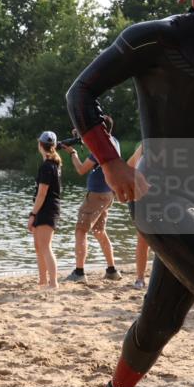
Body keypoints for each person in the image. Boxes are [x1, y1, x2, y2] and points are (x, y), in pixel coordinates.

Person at [66, 0, 194, 387]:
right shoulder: (155, 38)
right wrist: (111, 161)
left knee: (157, 325)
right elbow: (81, 92)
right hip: (159, 197)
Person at [61, 117, 122, 284]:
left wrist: (73, 153)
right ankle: (112, 270)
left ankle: (79, 273)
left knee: (81, 230)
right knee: (99, 231)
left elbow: (81, 169)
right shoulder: (113, 141)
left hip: (96, 195)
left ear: (101, 129)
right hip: (108, 194)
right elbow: (96, 153)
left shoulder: (101, 146)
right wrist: (81, 137)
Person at [29, 131, 62, 289]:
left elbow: (42, 193)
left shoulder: (48, 166)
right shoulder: (52, 164)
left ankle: (53, 283)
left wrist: (33, 214)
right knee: (38, 246)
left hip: (47, 209)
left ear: (40, 145)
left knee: (45, 246)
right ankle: (42, 281)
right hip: (46, 208)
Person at [127, 144, 151, 289]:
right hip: (143, 199)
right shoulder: (144, 146)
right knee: (143, 239)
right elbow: (129, 165)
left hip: (165, 198)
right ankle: (140, 278)